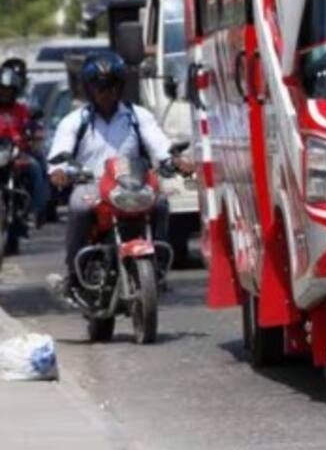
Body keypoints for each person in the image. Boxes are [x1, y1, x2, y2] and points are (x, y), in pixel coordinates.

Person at [46, 51, 193, 299]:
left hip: (131, 185)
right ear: (89, 88)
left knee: (161, 204)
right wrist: (59, 172)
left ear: (121, 86)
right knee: (78, 206)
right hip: (91, 185)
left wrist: (174, 160)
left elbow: (159, 145)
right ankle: (73, 273)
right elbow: (59, 153)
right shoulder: (74, 121)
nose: (107, 91)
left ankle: (155, 265)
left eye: (113, 84)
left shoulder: (138, 116)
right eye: (101, 85)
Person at [0, 64, 49, 231]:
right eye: (2, 89)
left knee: (36, 168)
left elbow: (32, 126)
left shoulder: (21, 109)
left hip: (17, 153)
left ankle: (36, 210)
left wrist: (34, 135)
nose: (5, 93)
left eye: (8, 90)